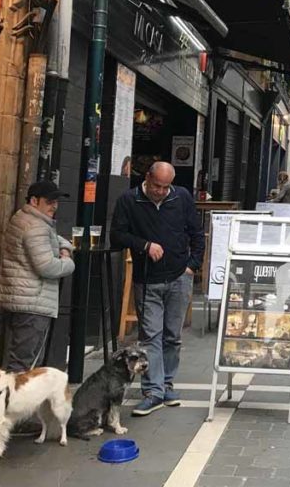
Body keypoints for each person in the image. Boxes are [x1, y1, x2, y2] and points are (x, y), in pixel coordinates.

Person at [112, 162, 204, 415]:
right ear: (147, 178)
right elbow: (117, 235)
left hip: (179, 276)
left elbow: (197, 232)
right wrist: (144, 246)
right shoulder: (129, 200)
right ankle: (153, 391)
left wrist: (192, 265)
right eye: (156, 186)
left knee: (172, 336)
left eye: (165, 187)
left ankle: (167, 383)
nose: (160, 191)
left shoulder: (181, 196)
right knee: (150, 337)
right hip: (148, 279)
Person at [0, 180, 75, 372]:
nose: (54, 206)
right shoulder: (36, 226)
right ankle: (19, 402)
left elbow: (50, 239)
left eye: (56, 201)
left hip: (21, 298)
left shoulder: (24, 218)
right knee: (25, 366)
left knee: (17, 361)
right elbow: (46, 266)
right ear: (34, 201)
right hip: (33, 303)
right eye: (49, 202)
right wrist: (68, 262)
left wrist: (64, 245)